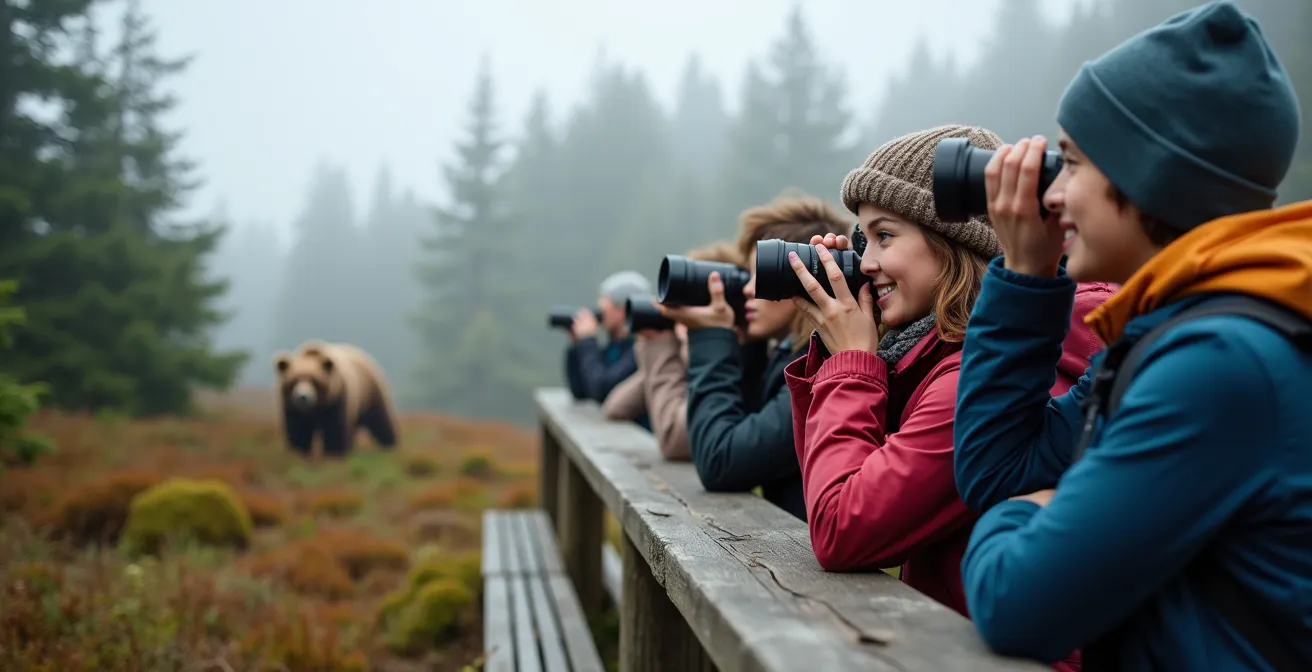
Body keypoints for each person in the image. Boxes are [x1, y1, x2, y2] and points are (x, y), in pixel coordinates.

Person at [952, 2, 1310, 670]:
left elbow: (1018, 601)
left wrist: (1028, 513)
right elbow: (999, 473)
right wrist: (1026, 275)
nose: (1051, 195)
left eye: (1073, 163)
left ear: (1150, 174)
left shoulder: (1220, 364)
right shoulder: (1176, 334)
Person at [781, 125, 1108, 652]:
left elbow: (841, 526)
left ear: (953, 243)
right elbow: (832, 487)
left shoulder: (975, 378)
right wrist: (833, 355)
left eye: (884, 237)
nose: (864, 263)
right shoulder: (939, 359)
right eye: (862, 240)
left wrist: (850, 365)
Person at [659, 195, 852, 521]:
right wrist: (743, 342)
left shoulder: (820, 369)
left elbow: (720, 460)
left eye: (758, 273)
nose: (747, 290)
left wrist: (711, 337)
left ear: (802, 277)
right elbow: (734, 430)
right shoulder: (790, 357)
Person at [602, 241, 742, 461]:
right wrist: (665, 344)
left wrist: (675, 347)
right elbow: (616, 407)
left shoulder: (732, 358)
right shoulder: (680, 352)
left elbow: (674, 441)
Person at [565, 271, 651, 421]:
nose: (599, 314)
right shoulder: (615, 346)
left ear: (622, 311)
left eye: (604, 309)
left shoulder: (641, 349)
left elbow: (602, 390)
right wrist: (577, 345)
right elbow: (581, 391)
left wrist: (587, 342)